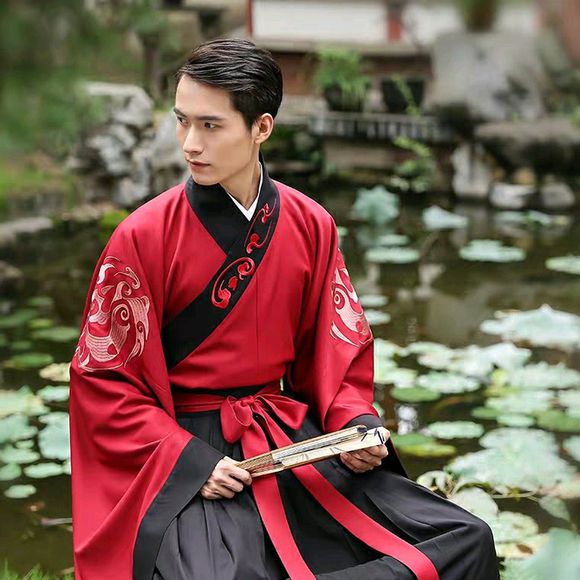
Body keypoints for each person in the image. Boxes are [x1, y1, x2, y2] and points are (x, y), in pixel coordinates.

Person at [69, 39, 499, 580]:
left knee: (463, 540)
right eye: (182, 122)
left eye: (210, 125)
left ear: (262, 128)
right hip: (190, 449)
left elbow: (338, 353)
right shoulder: (142, 236)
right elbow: (103, 381)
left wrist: (354, 424)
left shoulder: (310, 224)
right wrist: (188, 461)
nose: (190, 144)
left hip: (290, 438)